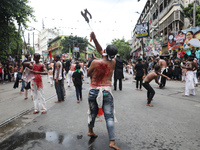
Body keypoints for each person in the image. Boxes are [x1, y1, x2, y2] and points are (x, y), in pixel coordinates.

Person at [88, 32, 120, 150]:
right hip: (106, 90)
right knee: (109, 117)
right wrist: (95, 39)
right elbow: (101, 50)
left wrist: (93, 71)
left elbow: (88, 74)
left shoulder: (95, 62)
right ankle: (112, 142)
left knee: (92, 112)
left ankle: (90, 130)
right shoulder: (113, 62)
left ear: (105, 51)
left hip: (94, 90)